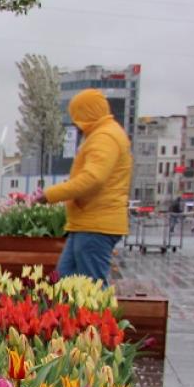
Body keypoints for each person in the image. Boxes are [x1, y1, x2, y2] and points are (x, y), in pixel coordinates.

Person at [33, 88, 132, 285]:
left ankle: (97, 317)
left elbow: (93, 179)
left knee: (91, 288)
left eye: (77, 116)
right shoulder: (103, 134)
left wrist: (50, 194)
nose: (75, 123)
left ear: (87, 113)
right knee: (63, 283)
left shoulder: (105, 137)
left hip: (96, 224)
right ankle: (65, 316)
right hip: (88, 223)